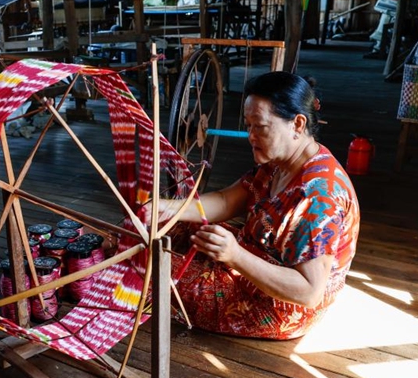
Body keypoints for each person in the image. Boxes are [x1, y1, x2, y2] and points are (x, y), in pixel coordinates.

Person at [152, 71, 360, 339]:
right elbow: (228, 200)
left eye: (259, 127)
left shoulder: (317, 197)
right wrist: (166, 207)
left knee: (151, 269)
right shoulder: (280, 162)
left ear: (297, 124)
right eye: (248, 126)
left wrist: (235, 255)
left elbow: (308, 292)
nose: (250, 136)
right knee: (169, 226)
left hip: (279, 306)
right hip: (254, 259)